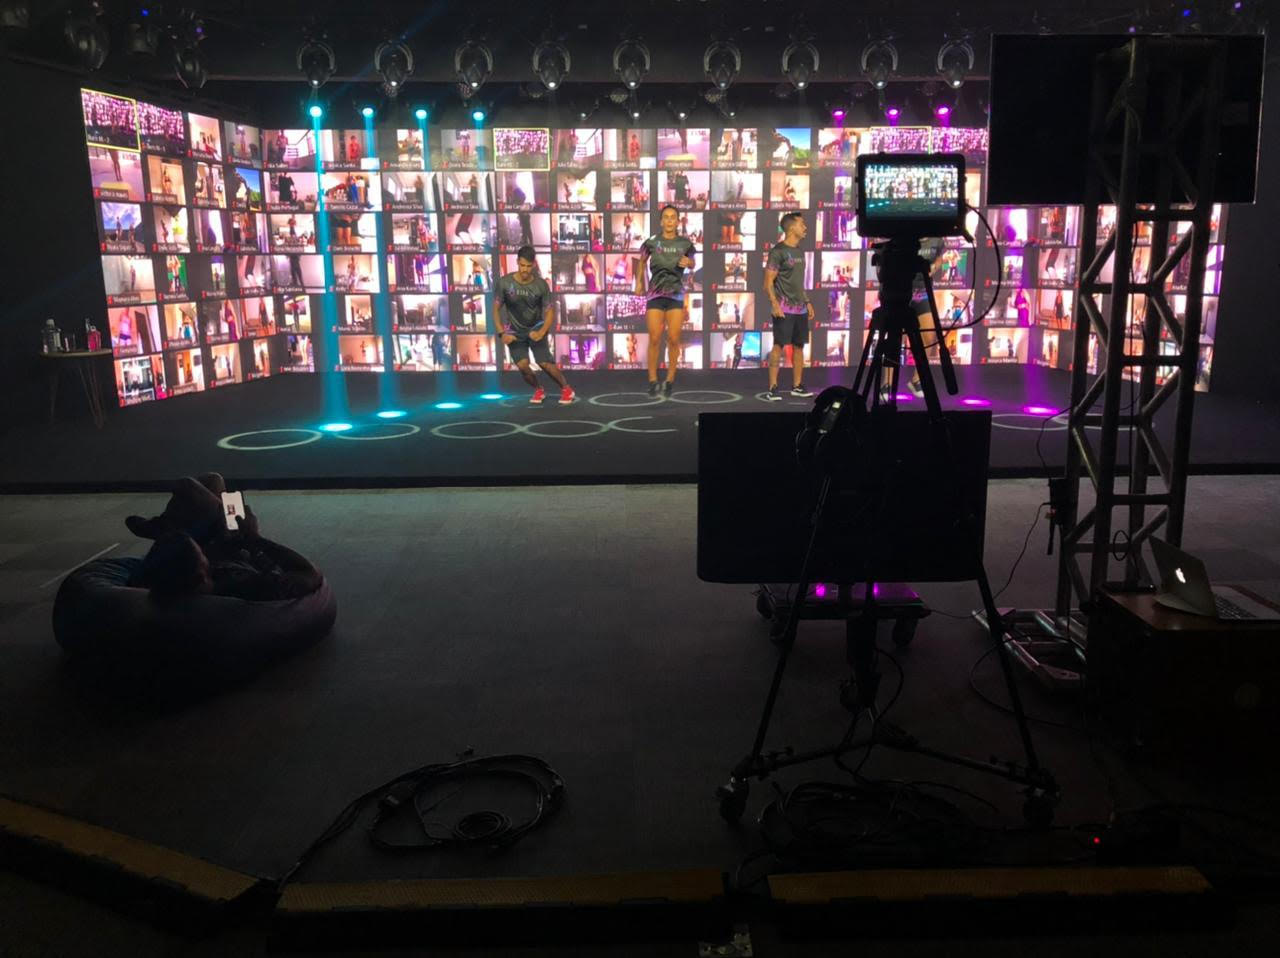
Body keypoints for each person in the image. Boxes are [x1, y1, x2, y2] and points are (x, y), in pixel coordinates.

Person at [126, 475, 321, 602]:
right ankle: (166, 527)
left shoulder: (156, 581)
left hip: (222, 545)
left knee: (213, 482)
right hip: (233, 546)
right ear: (202, 575)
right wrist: (254, 538)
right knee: (191, 487)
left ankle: (165, 528)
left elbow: (140, 577)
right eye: (202, 558)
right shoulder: (244, 588)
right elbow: (309, 573)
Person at [495, 246, 575, 405]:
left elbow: (550, 312)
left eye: (528, 266)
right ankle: (538, 389)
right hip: (514, 331)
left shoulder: (541, 285)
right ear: (517, 262)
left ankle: (566, 389)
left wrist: (542, 332)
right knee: (523, 366)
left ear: (533, 265)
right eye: (522, 265)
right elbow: (495, 309)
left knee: (544, 363)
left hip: (536, 327)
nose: (525, 269)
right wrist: (501, 333)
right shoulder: (504, 283)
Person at [636, 205, 696, 396]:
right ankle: (653, 381)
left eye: (673, 217)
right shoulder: (651, 242)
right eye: (666, 217)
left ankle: (669, 380)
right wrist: (639, 283)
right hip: (655, 295)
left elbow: (692, 262)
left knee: (673, 339)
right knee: (654, 338)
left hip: (676, 296)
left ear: (677, 221)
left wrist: (689, 263)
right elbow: (641, 262)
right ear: (661, 221)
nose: (670, 220)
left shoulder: (685, 244)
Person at [763, 212, 815, 400]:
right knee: (778, 345)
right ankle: (773, 388)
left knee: (799, 347)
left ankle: (797, 386)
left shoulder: (800, 252)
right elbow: (768, 282)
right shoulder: (777, 252)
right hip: (784, 309)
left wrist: (807, 301)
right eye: (802, 224)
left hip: (800, 308)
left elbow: (798, 283)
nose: (805, 227)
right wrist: (775, 304)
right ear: (792, 228)